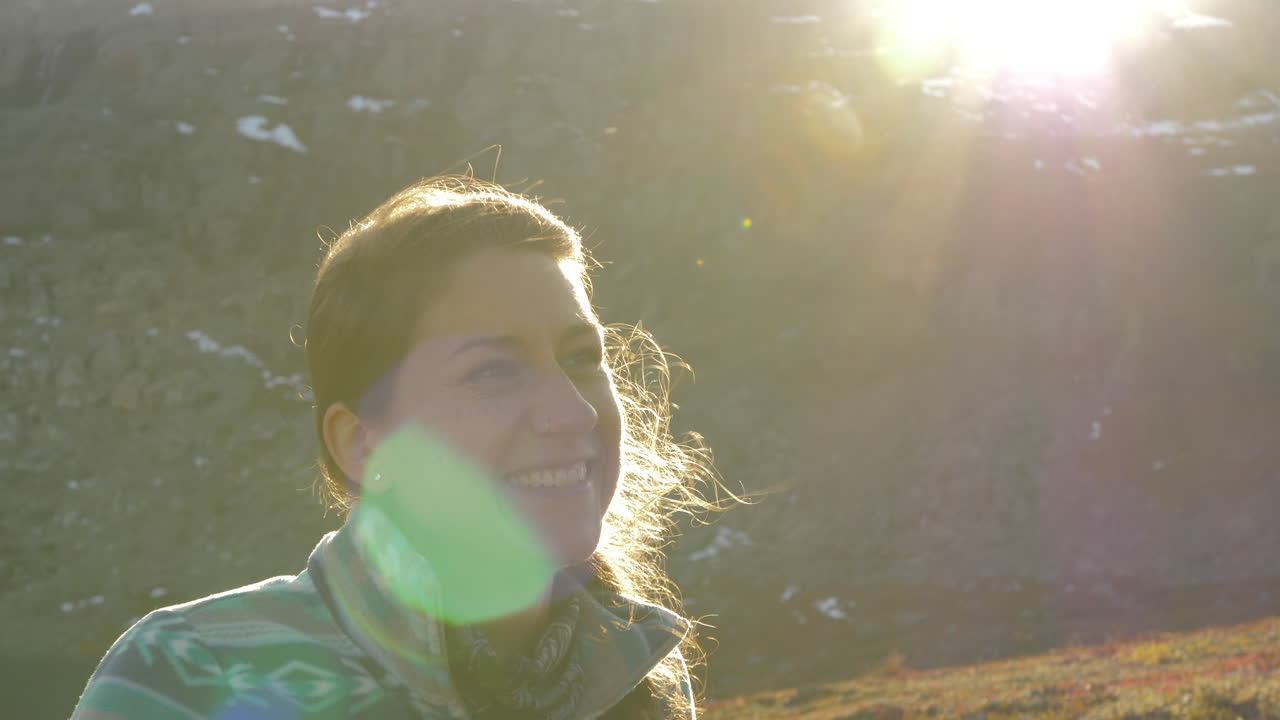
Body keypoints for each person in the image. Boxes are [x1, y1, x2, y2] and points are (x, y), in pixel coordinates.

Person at [71, 175, 729, 719]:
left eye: (583, 356)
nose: (575, 411)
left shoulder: (638, 675)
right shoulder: (189, 675)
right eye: (492, 371)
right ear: (363, 444)